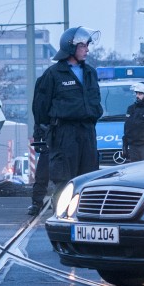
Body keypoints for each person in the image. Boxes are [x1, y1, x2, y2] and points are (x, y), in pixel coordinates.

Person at [34, 26, 104, 185]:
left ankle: (85, 210)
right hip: (64, 133)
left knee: (89, 179)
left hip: (87, 132)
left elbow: (95, 100)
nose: (87, 50)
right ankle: (62, 209)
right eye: (82, 46)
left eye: (87, 46)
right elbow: (40, 108)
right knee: (65, 180)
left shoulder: (90, 73)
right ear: (70, 47)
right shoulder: (53, 74)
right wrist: (44, 132)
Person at [27, 71, 52, 215]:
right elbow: (38, 117)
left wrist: (38, 138)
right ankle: (37, 202)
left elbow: (38, 115)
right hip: (50, 137)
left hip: (50, 137)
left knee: (43, 173)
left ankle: (37, 203)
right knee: (44, 173)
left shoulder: (42, 87)